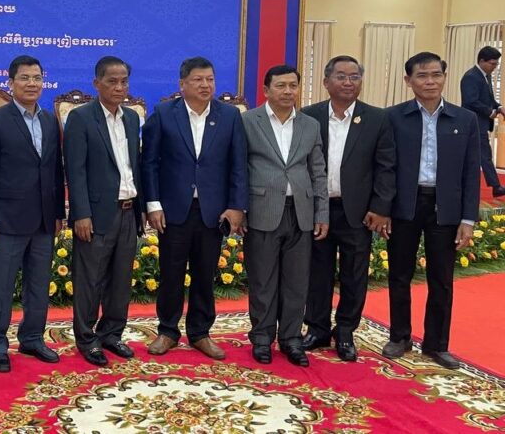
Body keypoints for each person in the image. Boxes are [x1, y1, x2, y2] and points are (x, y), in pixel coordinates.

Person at [142, 56, 247, 360]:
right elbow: (149, 162)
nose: (205, 85)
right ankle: (167, 331)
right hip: (174, 209)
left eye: (210, 79)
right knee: (171, 273)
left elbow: (238, 164)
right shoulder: (164, 114)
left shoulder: (229, 116)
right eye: (198, 80)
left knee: (205, 273)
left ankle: (200, 333)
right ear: (182, 84)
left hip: (213, 211)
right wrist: (153, 204)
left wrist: (236, 206)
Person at [383, 52, 479, 370]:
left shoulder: (465, 119)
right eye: (422, 76)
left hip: (445, 207)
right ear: (408, 80)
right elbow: (384, 167)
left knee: (442, 278)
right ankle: (399, 336)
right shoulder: (393, 117)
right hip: (405, 206)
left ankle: (437, 344)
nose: (430, 81)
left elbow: (471, 173)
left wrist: (468, 219)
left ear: (444, 77)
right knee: (399, 274)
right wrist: (383, 209)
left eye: (436, 74)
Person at [301, 56, 396, 361]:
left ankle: (344, 331)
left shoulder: (377, 118)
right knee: (317, 272)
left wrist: (380, 207)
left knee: (354, 274)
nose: (348, 82)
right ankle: (316, 328)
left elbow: (386, 167)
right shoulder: (309, 116)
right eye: (341, 76)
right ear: (326, 82)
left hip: (358, 211)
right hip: (319, 209)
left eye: (354, 77)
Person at [0, 55, 64, 373]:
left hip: (43, 219)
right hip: (6, 219)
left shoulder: (50, 120)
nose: (32, 83)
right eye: (25, 78)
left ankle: (32, 338)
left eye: (37, 77)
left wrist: (58, 213)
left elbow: (54, 170)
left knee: (39, 284)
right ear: (11, 82)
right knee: (0, 285)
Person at [241, 65, 328, 367]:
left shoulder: (309, 125)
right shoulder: (248, 122)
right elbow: (238, 168)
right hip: (262, 210)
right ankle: (262, 338)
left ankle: (291, 338)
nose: (288, 91)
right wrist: (239, 209)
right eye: (281, 86)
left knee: (296, 282)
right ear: (266, 90)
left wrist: (322, 212)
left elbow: (318, 171)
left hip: (301, 212)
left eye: (293, 85)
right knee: (263, 280)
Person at [63, 56, 143, 366]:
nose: (119, 87)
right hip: (96, 214)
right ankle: (86, 338)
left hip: (128, 210)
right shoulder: (81, 118)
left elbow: (133, 166)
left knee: (120, 279)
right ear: (97, 84)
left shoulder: (132, 118)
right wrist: (81, 214)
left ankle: (111, 333)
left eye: (124, 81)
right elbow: (76, 170)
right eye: (112, 81)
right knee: (90, 280)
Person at [460, 46, 505, 197]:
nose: (495, 67)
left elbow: (489, 98)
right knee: (484, 154)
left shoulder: (486, 76)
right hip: (473, 122)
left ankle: (494, 186)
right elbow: (471, 101)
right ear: (481, 61)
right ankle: (496, 186)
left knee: (477, 155)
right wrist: (490, 112)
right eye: (492, 64)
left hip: (481, 123)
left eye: (496, 64)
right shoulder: (471, 77)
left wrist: (499, 107)